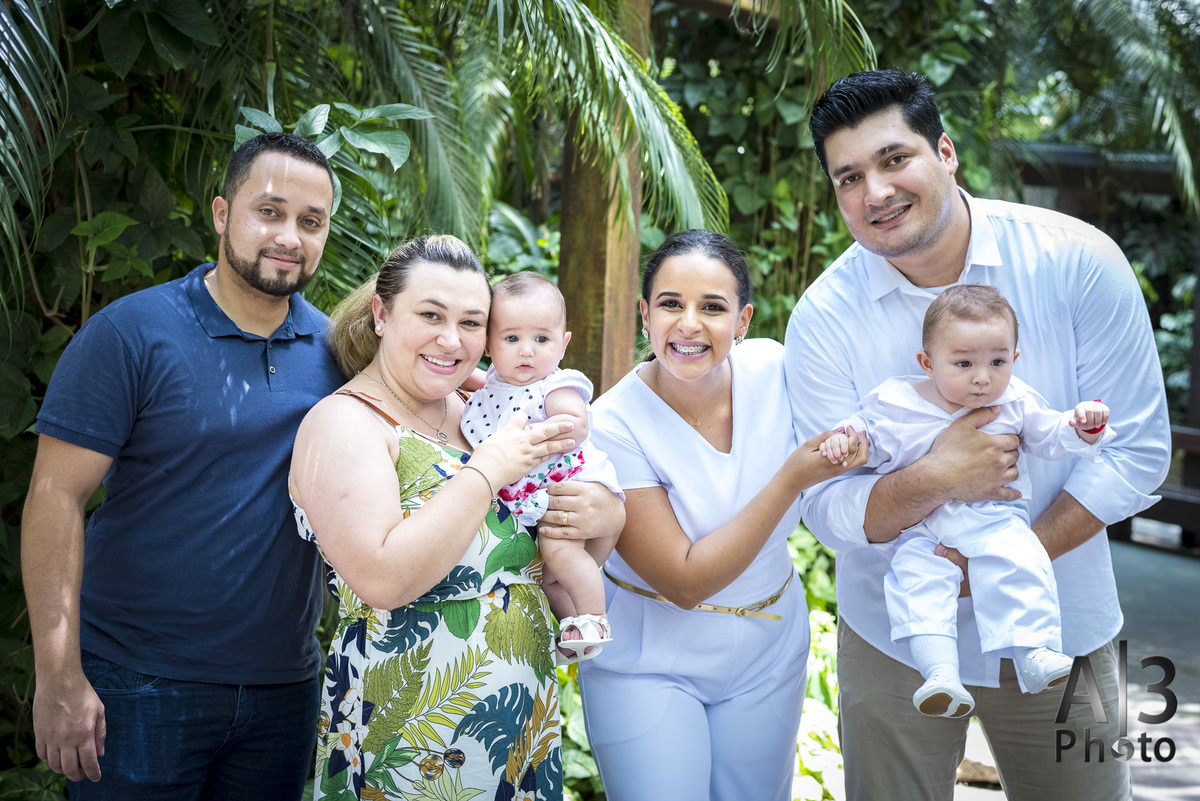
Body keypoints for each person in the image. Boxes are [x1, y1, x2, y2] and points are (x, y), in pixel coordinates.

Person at [786, 69, 1170, 801]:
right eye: (849, 178)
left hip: (1063, 615)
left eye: (894, 159)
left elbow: (1136, 449)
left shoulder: (1078, 259)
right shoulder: (823, 317)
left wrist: (1002, 559)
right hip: (894, 630)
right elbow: (826, 505)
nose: (875, 192)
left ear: (945, 152)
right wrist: (937, 476)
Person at [22, 132, 346, 799]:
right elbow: (55, 497)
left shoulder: (340, 352)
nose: (289, 236)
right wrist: (57, 675)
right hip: (135, 682)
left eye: (311, 222)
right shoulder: (130, 332)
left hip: (284, 690)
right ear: (222, 213)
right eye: (270, 212)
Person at [288, 235, 624, 800]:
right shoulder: (345, 423)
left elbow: (540, 560)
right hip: (409, 732)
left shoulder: (478, 412)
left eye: (471, 323)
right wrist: (488, 470)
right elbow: (382, 578)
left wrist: (606, 515)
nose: (451, 339)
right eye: (430, 315)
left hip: (518, 723)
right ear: (381, 315)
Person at [578, 229, 867, 801]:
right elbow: (683, 581)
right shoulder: (612, 423)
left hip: (770, 645)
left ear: (743, 320)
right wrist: (791, 479)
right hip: (649, 659)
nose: (689, 324)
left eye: (712, 307)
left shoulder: (775, 367)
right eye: (670, 304)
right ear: (645, 314)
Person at [819, 285, 1114, 719]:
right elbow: (867, 436)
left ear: (1014, 359)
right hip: (922, 526)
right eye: (964, 363)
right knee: (917, 581)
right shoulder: (896, 402)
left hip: (994, 518)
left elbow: (1051, 436)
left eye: (997, 362)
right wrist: (847, 440)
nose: (982, 377)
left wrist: (1082, 427)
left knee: (1021, 559)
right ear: (927, 363)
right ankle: (939, 673)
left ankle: (1033, 651)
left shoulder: (1015, 402)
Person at [460, 272, 624, 664]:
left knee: (559, 551)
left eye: (541, 339)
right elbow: (483, 386)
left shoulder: (555, 385)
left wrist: (541, 430)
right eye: (511, 339)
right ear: (488, 344)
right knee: (550, 578)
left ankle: (594, 618)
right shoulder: (496, 382)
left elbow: (574, 423)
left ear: (563, 344)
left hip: (572, 483)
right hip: (541, 494)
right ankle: (573, 630)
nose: (526, 351)